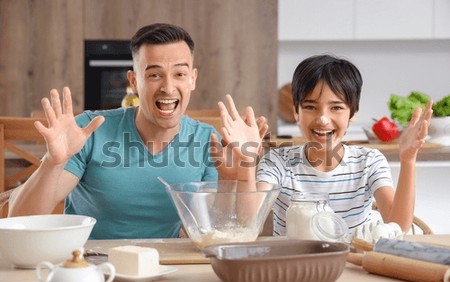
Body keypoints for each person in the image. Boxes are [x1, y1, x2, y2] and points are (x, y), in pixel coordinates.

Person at [8, 23, 267, 240]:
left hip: (161, 270)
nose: (168, 87)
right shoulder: (90, 130)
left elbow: (219, 233)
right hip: (90, 265)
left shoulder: (205, 139)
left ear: (192, 79)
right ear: (134, 82)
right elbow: (19, 222)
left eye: (179, 73)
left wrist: (241, 176)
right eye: (154, 75)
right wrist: (52, 163)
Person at [255, 54, 432, 236]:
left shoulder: (369, 161)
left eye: (336, 107)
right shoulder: (277, 162)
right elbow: (249, 221)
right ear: (296, 112)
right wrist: (244, 163)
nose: (323, 119)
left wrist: (408, 159)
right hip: (295, 264)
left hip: (354, 264)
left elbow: (398, 226)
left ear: (353, 113)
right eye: (310, 107)